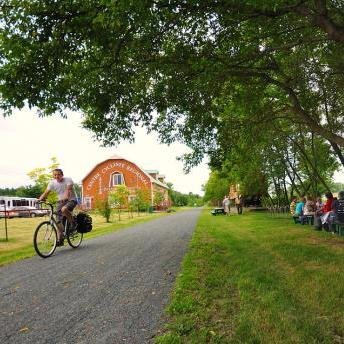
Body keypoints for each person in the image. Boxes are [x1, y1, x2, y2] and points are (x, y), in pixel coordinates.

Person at [38, 168, 77, 245]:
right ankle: (60, 240)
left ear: (62, 175)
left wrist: (66, 197)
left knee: (64, 209)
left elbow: (68, 190)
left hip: (71, 200)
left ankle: (73, 224)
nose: (57, 176)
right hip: (60, 202)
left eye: (58, 174)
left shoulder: (68, 180)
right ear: (53, 176)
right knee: (58, 221)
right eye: (55, 175)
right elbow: (46, 193)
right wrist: (39, 199)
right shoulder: (52, 183)